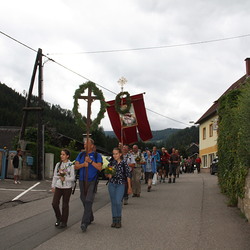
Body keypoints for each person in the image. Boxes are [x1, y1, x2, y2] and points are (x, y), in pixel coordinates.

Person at [75, 138, 103, 232]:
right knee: (83, 198)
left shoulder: (97, 155)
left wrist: (90, 161)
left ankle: (84, 223)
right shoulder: (81, 154)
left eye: (87, 144)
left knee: (88, 199)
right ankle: (90, 216)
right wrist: (83, 164)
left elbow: (99, 168)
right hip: (82, 180)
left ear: (92, 145)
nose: (84, 145)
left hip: (92, 180)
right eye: (84, 144)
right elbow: (76, 166)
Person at [107, 147, 132, 228]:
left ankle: (119, 219)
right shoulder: (111, 163)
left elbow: (128, 175)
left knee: (118, 202)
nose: (114, 155)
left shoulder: (124, 163)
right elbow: (107, 173)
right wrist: (108, 175)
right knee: (113, 202)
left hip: (121, 184)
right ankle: (114, 220)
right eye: (113, 154)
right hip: (112, 184)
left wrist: (129, 187)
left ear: (120, 154)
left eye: (116, 154)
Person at [51, 149, 75, 228]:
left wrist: (65, 179)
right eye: (61, 154)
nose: (61, 156)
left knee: (65, 205)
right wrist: (53, 186)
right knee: (54, 203)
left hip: (67, 187)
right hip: (58, 186)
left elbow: (73, 178)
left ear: (67, 156)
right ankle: (59, 218)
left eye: (63, 154)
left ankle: (64, 221)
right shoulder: (58, 164)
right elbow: (55, 176)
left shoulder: (71, 165)